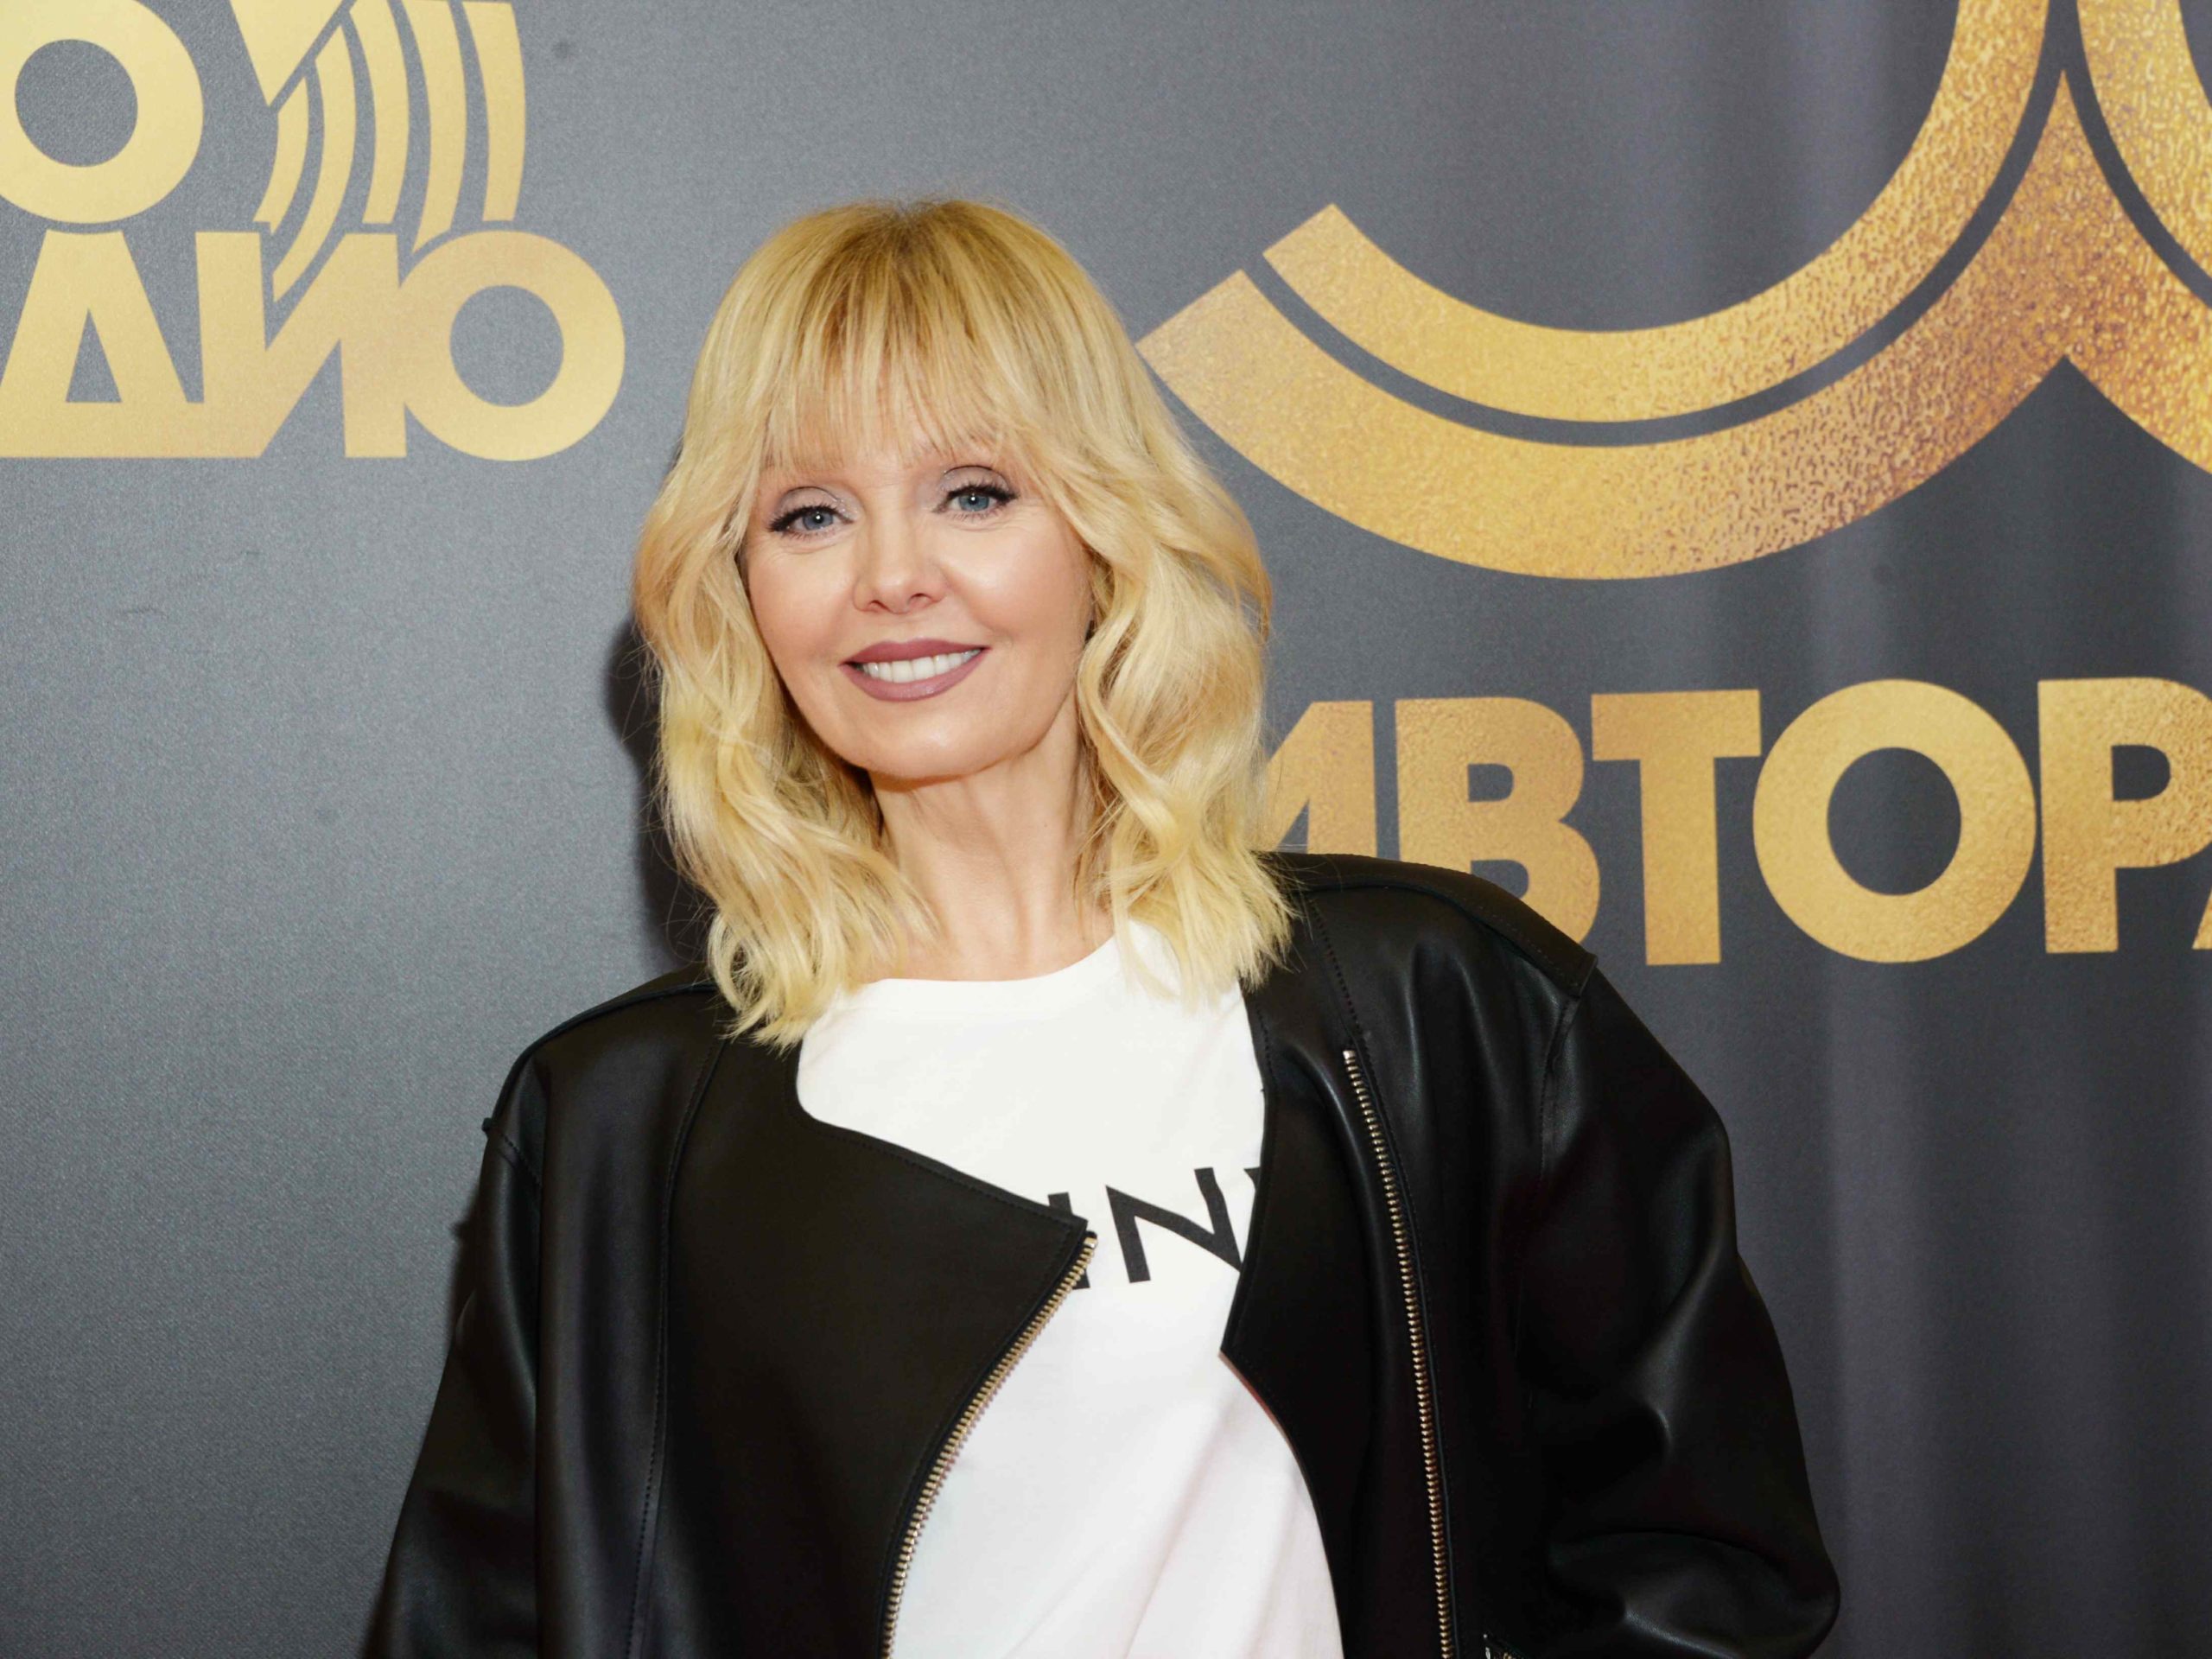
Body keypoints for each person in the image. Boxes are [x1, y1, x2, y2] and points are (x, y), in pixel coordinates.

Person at [365, 198, 1839, 1659]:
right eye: (811, 514)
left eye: (974, 493)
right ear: (742, 587)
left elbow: (1709, 1566)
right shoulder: (616, 1130)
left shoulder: (1439, 1006)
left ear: (1105, 536)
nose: (892, 576)